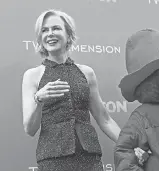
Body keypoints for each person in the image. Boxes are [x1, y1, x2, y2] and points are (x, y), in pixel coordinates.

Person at [21, 9, 122, 171]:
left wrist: (130, 144)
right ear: (40, 38)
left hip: (89, 157)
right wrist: (38, 99)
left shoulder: (86, 72)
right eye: (44, 30)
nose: (50, 34)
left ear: (69, 34)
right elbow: (30, 129)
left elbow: (105, 119)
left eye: (56, 28)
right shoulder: (32, 75)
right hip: (52, 160)